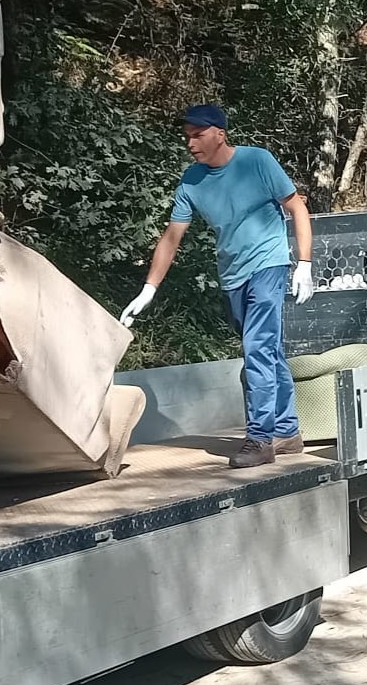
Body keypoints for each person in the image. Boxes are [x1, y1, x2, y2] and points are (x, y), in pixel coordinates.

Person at [121, 104, 314, 468]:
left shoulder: (257, 161)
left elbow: (296, 207)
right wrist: (149, 288)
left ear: (220, 134)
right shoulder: (191, 181)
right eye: (187, 136)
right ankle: (287, 431)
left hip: (269, 263)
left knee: (257, 348)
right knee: (268, 350)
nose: (191, 143)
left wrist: (304, 263)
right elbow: (172, 237)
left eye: (198, 135)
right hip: (233, 275)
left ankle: (260, 440)